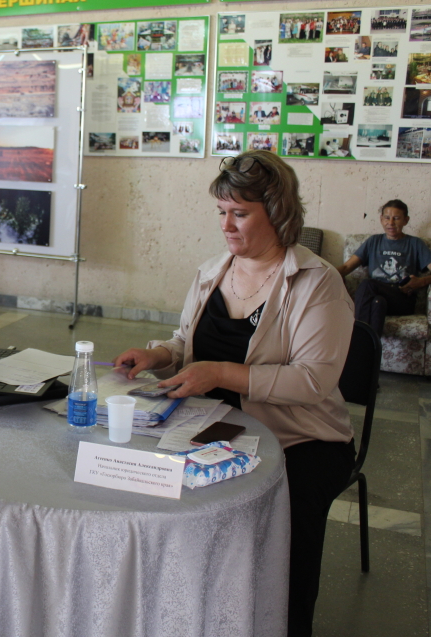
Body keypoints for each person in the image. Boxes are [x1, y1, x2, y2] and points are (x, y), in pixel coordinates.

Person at [113, 151, 355, 637]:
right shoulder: (212, 271)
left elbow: (312, 382)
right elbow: (188, 344)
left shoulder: (316, 283)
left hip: (301, 441)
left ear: (278, 212)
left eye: (239, 213)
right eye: (221, 212)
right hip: (220, 426)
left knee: (285, 548)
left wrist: (221, 373)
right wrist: (159, 355)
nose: (226, 225)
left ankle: (284, 624)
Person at [337, 199, 431, 336]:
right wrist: (323, 274)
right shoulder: (373, 241)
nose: (391, 223)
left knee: (368, 284)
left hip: (403, 298)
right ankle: (371, 352)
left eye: (396, 218)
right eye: (387, 218)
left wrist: (422, 281)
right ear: (381, 219)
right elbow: (346, 267)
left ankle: (355, 337)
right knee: (378, 303)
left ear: (406, 220)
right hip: (377, 297)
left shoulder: (415, 244)